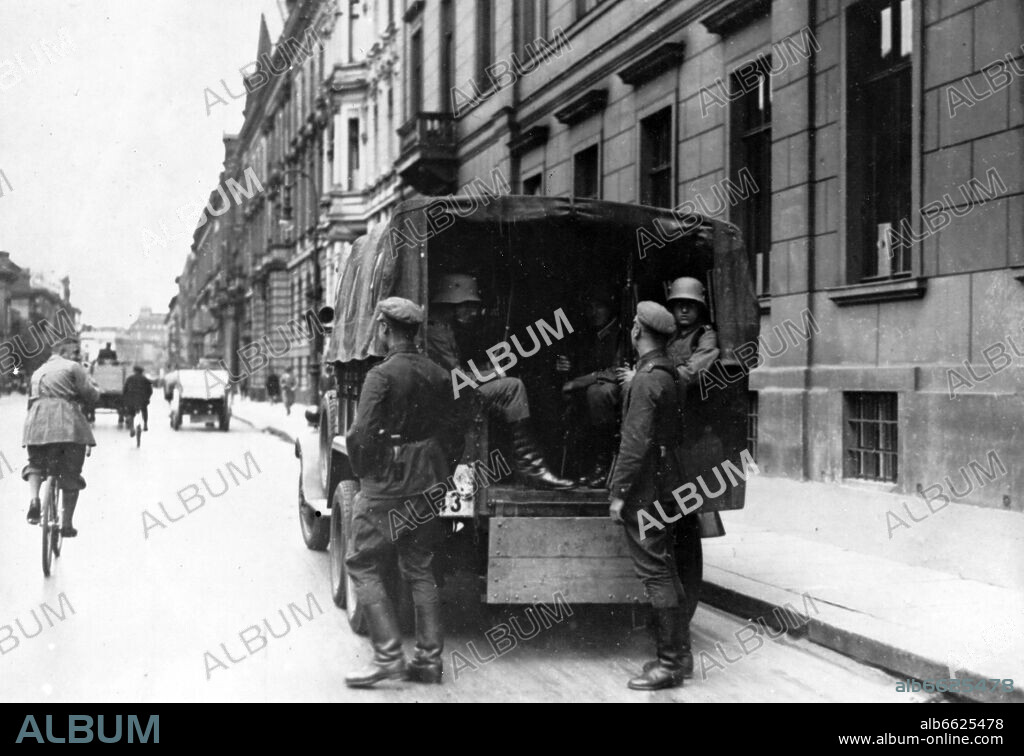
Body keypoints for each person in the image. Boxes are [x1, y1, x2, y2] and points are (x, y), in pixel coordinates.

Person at [344, 297, 463, 688]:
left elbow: (361, 435)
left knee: (362, 562)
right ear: (415, 332)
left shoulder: (380, 376)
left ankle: (389, 657)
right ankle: (429, 661)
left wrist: (368, 473)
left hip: (388, 484)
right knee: (420, 567)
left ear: (382, 327)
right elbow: (456, 432)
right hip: (429, 481)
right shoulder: (440, 374)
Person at [426, 273, 574, 489]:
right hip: (449, 404)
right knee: (512, 387)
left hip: (450, 399)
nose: (475, 313)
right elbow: (459, 380)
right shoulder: (437, 332)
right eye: (469, 306)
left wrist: (488, 368)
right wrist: (494, 373)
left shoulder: (442, 328)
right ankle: (531, 468)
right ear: (452, 303)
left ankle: (525, 467)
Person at [608, 302, 688, 690]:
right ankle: (681, 657)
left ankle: (669, 665)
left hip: (645, 489)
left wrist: (619, 493)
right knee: (668, 567)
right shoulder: (669, 373)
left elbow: (634, 443)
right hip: (668, 482)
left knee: (655, 572)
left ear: (637, 331)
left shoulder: (646, 379)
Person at [21, 335, 99, 537]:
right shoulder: (73, 367)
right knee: (71, 471)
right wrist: (94, 390)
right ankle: (66, 524)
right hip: (66, 424)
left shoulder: (38, 372)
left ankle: (34, 499)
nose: (77, 355)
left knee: (36, 463)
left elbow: (31, 400)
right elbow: (89, 394)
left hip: (36, 424)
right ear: (64, 351)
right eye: (74, 351)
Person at [559, 282, 625, 487]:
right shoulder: (587, 334)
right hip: (590, 390)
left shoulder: (622, 332)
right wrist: (566, 367)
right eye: (590, 307)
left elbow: (617, 370)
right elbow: (579, 365)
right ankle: (578, 466)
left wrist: (578, 382)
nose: (593, 312)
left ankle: (602, 464)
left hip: (617, 391)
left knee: (598, 394)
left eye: (599, 306)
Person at [122, 365, 153, 435]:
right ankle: (145, 424)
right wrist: (147, 398)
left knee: (130, 413)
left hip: (131, 400)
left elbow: (124, 390)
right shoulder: (145, 379)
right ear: (142, 372)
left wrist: (125, 399)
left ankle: (132, 428)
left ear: (134, 371)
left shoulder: (129, 378)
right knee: (144, 410)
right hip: (141, 400)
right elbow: (150, 391)